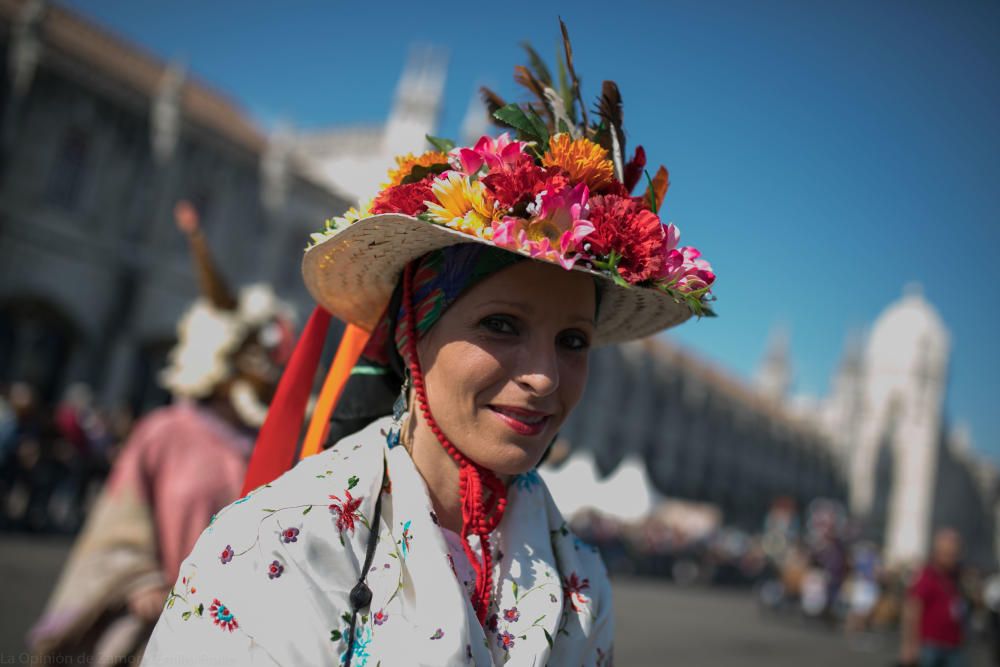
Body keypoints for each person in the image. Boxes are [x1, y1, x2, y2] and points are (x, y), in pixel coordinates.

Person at [143, 24, 715, 666]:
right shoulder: (275, 546)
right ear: (413, 330)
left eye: (573, 340)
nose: (545, 377)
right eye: (501, 325)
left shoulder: (583, 584)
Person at [27, 202, 294, 664]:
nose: (266, 368)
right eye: (253, 353)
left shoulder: (282, 449)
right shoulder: (164, 432)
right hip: (160, 636)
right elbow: (119, 522)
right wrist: (140, 578)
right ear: (223, 353)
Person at [899, 527, 969, 667]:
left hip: (953, 644)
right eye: (947, 554)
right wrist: (909, 645)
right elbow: (913, 609)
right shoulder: (927, 576)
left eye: (954, 554)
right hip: (930, 645)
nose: (951, 558)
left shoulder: (956, 577)